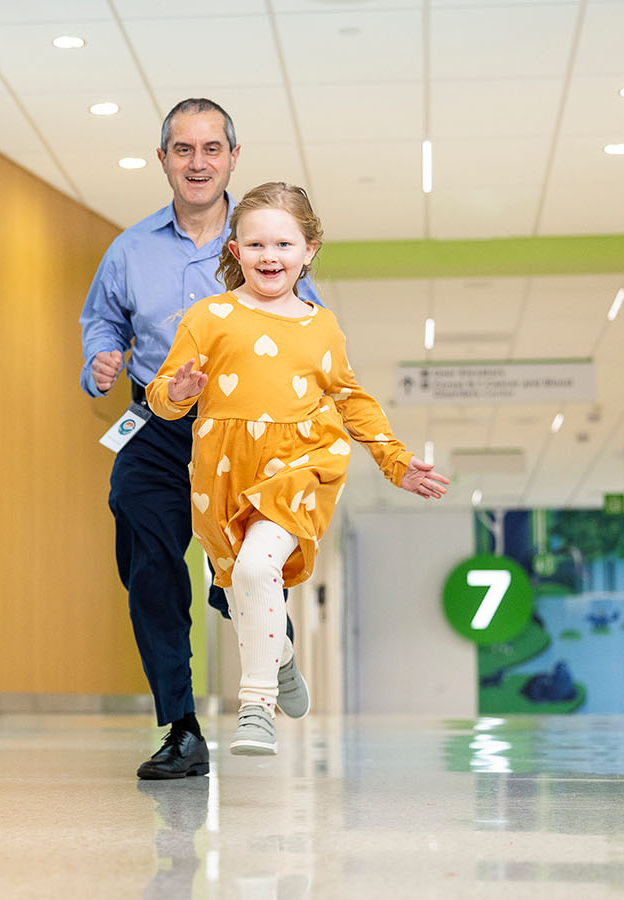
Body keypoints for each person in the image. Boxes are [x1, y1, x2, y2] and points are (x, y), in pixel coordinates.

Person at [145, 182, 450, 754]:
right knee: (242, 581)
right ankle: (279, 654)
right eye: (255, 244)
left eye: (284, 244)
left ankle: (255, 706)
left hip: (301, 464)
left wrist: (395, 460)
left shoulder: (321, 325)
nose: (269, 256)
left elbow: (350, 398)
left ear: (308, 250)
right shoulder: (208, 316)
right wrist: (179, 391)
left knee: (260, 569)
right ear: (235, 251)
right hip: (223, 474)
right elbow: (163, 397)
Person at [79, 99, 317, 780]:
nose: (198, 162)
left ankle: (267, 634)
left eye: (211, 148)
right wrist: (102, 361)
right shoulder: (129, 250)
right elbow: (102, 322)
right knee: (146, 551)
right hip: (155, 424)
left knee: (238, 573)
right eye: (183, 149)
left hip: (239, 428)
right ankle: (181, 727)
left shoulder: (262, 240)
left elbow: (308, 320)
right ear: (164, 160)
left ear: (232, 158)